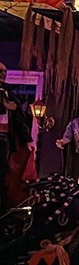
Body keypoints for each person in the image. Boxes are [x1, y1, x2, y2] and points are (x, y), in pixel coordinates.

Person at [0, 62, 36, 209]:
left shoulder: (10, 95)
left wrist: (28, 140)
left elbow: (20, 120)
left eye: (4, 71)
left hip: (5, 137)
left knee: (4, 171)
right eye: (0, 71)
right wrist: (3, 107)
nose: (3, 74)